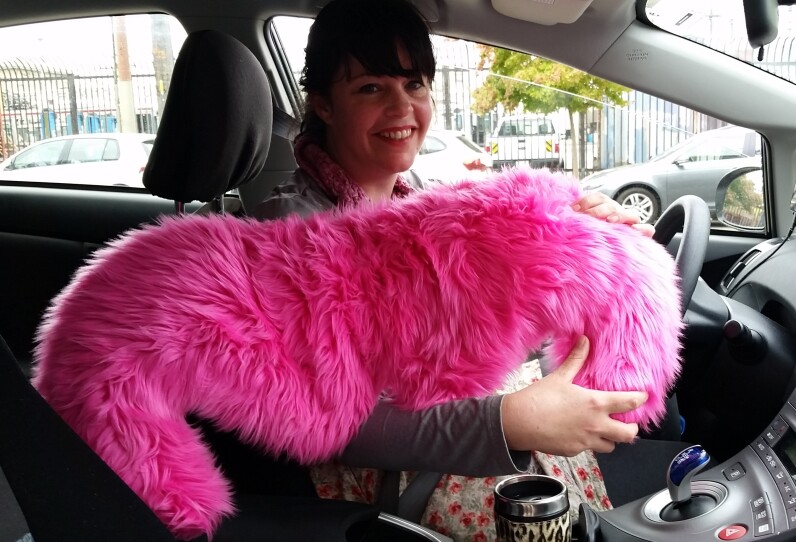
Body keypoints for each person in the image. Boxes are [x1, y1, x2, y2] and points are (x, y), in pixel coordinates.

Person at [251, 0, 659, 537]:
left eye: (415, 84)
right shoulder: (293, 231)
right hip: (390, 479)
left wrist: (596, 245)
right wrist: (510, 420)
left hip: (477, 438)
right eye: (372, 87)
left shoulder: (418, 199)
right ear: (324, 105)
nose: (403, 108)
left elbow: (482, 321)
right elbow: (335, 416)